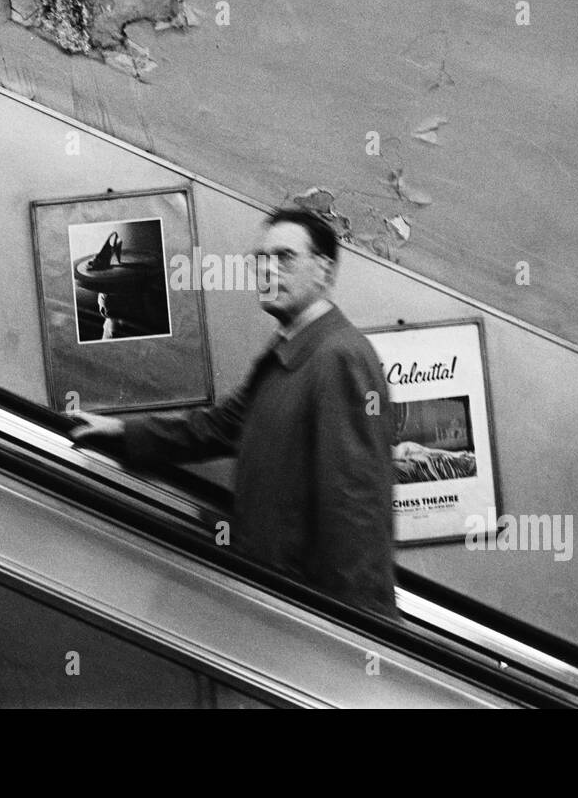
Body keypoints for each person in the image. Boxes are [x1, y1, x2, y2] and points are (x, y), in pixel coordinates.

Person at [70, 208, 398, 618]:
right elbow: (222, 426)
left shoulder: (340, 357)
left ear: (323, 270)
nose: (268, 270)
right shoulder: (291, 350)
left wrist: (355, 634)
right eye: (261, 259)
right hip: (276, 599)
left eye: (285, 258)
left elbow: (357, 511)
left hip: (310, 616)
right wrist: (124, 431)